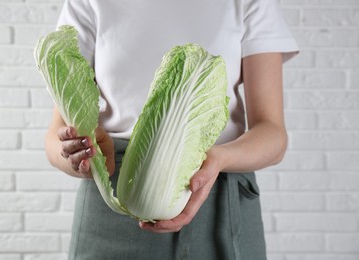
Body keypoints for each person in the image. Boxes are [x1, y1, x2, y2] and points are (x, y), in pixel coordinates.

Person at [45, 0, 299, 259]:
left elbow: (272, 134)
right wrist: (80, 157)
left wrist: (217, 159)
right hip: (112, 197)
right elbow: (55, 139)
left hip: (216, 201)